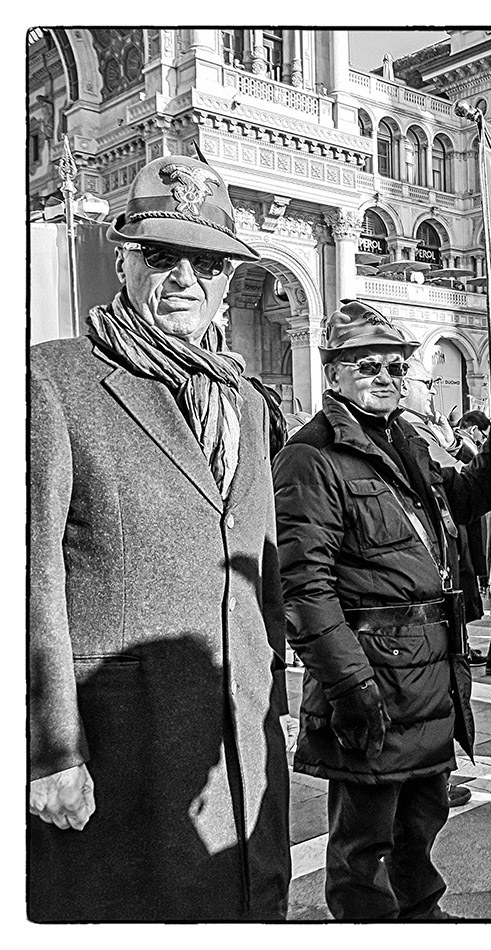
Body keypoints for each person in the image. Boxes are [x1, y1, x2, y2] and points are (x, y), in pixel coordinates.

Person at [29, 155, 291, 920]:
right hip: (121, 750)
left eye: (205, 261)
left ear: (227, 279)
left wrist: (269, 701)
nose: (183, 277)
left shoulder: (244, 399)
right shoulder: (52, 380)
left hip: (235, 750)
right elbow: (27, 576)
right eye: (160, 255)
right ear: (122, 260)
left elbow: (256, 569)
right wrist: (48, 750)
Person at [272, 299, 491, 920]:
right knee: (363, 843)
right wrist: (348, 683)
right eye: (367, 365)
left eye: (397, 366)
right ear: (333, 370)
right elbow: (304, 584)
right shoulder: (311, 455)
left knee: (423, 820)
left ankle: (423, 917)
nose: (386, 378)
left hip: (431, 669)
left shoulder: (406, 440)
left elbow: (459, 501)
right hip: (372, 673)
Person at [397, 359, 487, 809]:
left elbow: (464, 493)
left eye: (398, 369)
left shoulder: (416, 437)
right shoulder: (318, 448)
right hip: (393, 620)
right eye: (424, 382)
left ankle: (436, 775)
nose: (431, 391)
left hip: (439, 598)